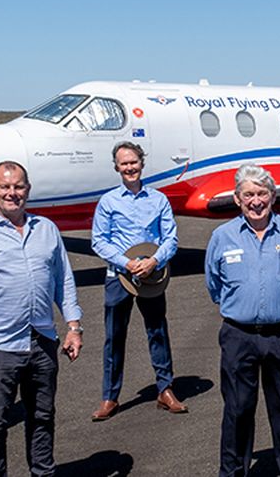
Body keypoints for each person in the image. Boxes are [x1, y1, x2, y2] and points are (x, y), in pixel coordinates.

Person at [0, 161, 85, 477]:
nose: (12, 193)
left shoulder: (46, 229)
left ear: (27, 189)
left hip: (41, 341)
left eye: (18, 187)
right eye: (5, 187)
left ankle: (42, 471)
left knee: (42, 415)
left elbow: (63, 280)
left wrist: (73, 326)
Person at [206, 164, 280, 477]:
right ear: (238, 199)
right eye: (248, 194)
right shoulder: (221, 236)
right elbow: (214, 285)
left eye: (262, 193)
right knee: (238, 409)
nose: (256, 201)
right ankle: (233, 471)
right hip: (238, 336)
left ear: (273, 196)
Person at [90, 141, 185, 421]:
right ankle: (110, 397)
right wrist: (127, 263)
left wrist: (154, 260)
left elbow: (170, 238)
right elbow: (99, 241)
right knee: (114, 336)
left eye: (134, 162)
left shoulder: (158, 200)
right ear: (117, 167)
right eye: (124, 163)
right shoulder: (108, 202)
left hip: (152, 276)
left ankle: (165, 389)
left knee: (157, 331)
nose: (129, 168)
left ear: (141, 163)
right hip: (119, 277)